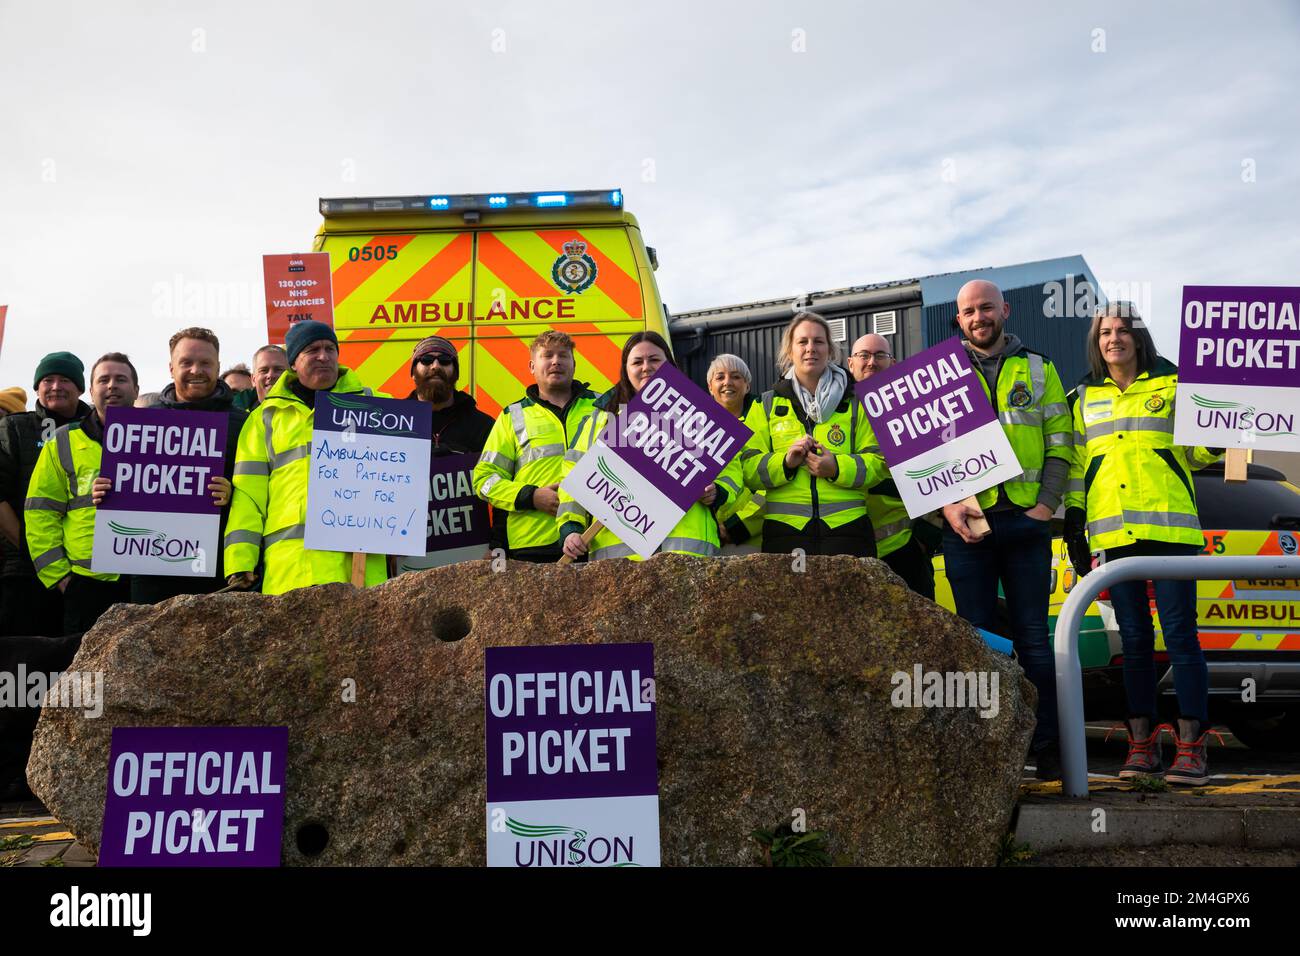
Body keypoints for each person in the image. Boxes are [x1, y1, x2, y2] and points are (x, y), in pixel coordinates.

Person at [1065, 303, 1222, 785]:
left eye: (1123, 330)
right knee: (1134, 642)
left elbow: (1195, 454)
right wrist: (1074, 518)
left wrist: (1219, 435)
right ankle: (1141, 744)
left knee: (1179, 636)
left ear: (1138, 337)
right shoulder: (1082, 396)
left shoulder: (1174, 384)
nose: (1114, 338)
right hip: (1114, 536)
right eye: (1105, 331)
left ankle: (1192, 746)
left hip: (1171, 532)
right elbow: (1075, 463)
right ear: (1097, 341)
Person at [940, 279, 1073, 780]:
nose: (979, 317)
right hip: (965, 525)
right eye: (969, 311)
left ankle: (1050, 750)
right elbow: (919, 458)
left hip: (1024, 521)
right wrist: (946, 510)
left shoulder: (1040, 368)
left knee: (1034, 641)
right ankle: (993, 755)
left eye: (987, 308)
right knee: (978, 642)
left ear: (1005, 310)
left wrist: (1045, 506)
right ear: (959, 319)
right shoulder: (938, 376)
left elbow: (1062, 442)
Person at [223, 321, 388, 594]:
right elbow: (248, 495)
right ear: (293, 364)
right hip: (291, 571)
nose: (323, 356)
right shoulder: (265, 418)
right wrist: (240, 561)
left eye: (330, 349)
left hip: (360, 571)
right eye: (312, 350)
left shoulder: (377, 406)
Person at [90, 328, 244, 605]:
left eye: (205, 363)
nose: (196, 370)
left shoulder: (244, 424)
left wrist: (235, 495)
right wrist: (106, 490)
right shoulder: (142, 424)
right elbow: (131, 485)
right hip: (150, 572)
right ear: (171, 368)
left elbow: (260, 494)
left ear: (218, 367)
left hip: (217, 566)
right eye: (186, 362)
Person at [559, 331, 741, 561]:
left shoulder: (698, 415)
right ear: (625, 369)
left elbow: (732, 471)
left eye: (654, 359)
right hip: (620, 561)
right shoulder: (601, 419)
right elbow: (574, 478)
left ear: (670, 364)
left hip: (688, 556)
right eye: (637, 361)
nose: (646, 367)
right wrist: (570, 529)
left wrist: (718, 491)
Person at [740, 312, 885, 557]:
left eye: (819, 341)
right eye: (802, 342)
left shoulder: (857, 403)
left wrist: (836, 468)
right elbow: (748, 467)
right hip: (785, 535)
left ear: (830, 350)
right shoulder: (765, 405)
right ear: (789, 351)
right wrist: (785, 463)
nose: (811, 348)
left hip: (849, 532)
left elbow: (879, 461)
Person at [25, 353, 139, 635]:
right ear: (91, 391)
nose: (112, 385)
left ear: (136, 389)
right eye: (104, 379)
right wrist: (61, 578)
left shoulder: (168, 438)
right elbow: (40, 512)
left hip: (148, 580)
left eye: (121, 379)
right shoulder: (63, 441)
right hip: (86, 584)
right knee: (87, 679)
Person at [474, 330, 598, 563]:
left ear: (574, 364)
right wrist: (531, 497)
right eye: (547, 355)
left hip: (595, 537)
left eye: (563, 355)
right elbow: (484, 481)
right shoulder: (512, 416)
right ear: (532, 366)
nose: (556, 361)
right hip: (533, 543)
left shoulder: (602, 407)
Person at [0, 353, 91, 636]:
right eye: (47, 380)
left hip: (84, 571)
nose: (55, 386)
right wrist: (35, 555)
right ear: (37, 388)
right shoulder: (14, 427)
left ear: (80, 388)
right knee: (26, 662)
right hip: (24, 572)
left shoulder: (100, 429)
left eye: (65, 380)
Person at [847, 333, 936, 599]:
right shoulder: (838, 413)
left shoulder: (916, 411)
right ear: (851, 364)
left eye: (880, 355)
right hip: (853, 552)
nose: (871, 362)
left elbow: (942, 471)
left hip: (907, 549)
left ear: (893, 363)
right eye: (864, 355)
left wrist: (926, 539)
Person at [706, 354, 765, 553]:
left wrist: (736, 526)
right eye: (719, 377)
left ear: (747, 385)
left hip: (750, 538)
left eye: (736, 376)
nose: (727, 382)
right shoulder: (694, 426)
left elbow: (771, 485)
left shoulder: (764, 420)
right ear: (710, 387)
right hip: (705, 535)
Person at [407, 336, 493, 455]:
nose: (436, 366)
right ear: (413, 373)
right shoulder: (394, 423)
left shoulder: (484, 426)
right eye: (426, 359)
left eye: (445, 360)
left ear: (456, 374)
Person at [234, 345, 289, 412]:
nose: (270, 375)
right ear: (253, 379)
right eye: (263, 370)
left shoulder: (304, 409)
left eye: (278, 369)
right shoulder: (235, 418)